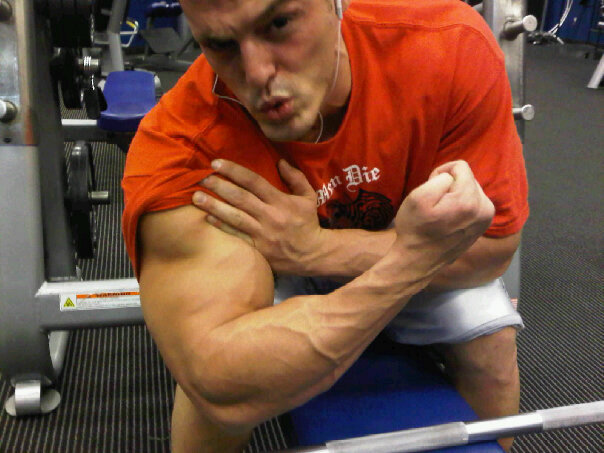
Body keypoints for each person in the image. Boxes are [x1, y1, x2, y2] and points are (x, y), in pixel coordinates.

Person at [121, 0, 529, 451]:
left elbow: (491, 249)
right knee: (218, 402)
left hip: (403, 243)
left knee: (491, 346)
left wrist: (316, 249)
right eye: (221, 45)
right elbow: (219, 381)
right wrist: (408, 260)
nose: (257, 74)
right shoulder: (184, 146)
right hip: (287, 263)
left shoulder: (445, 44)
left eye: (279, 24)